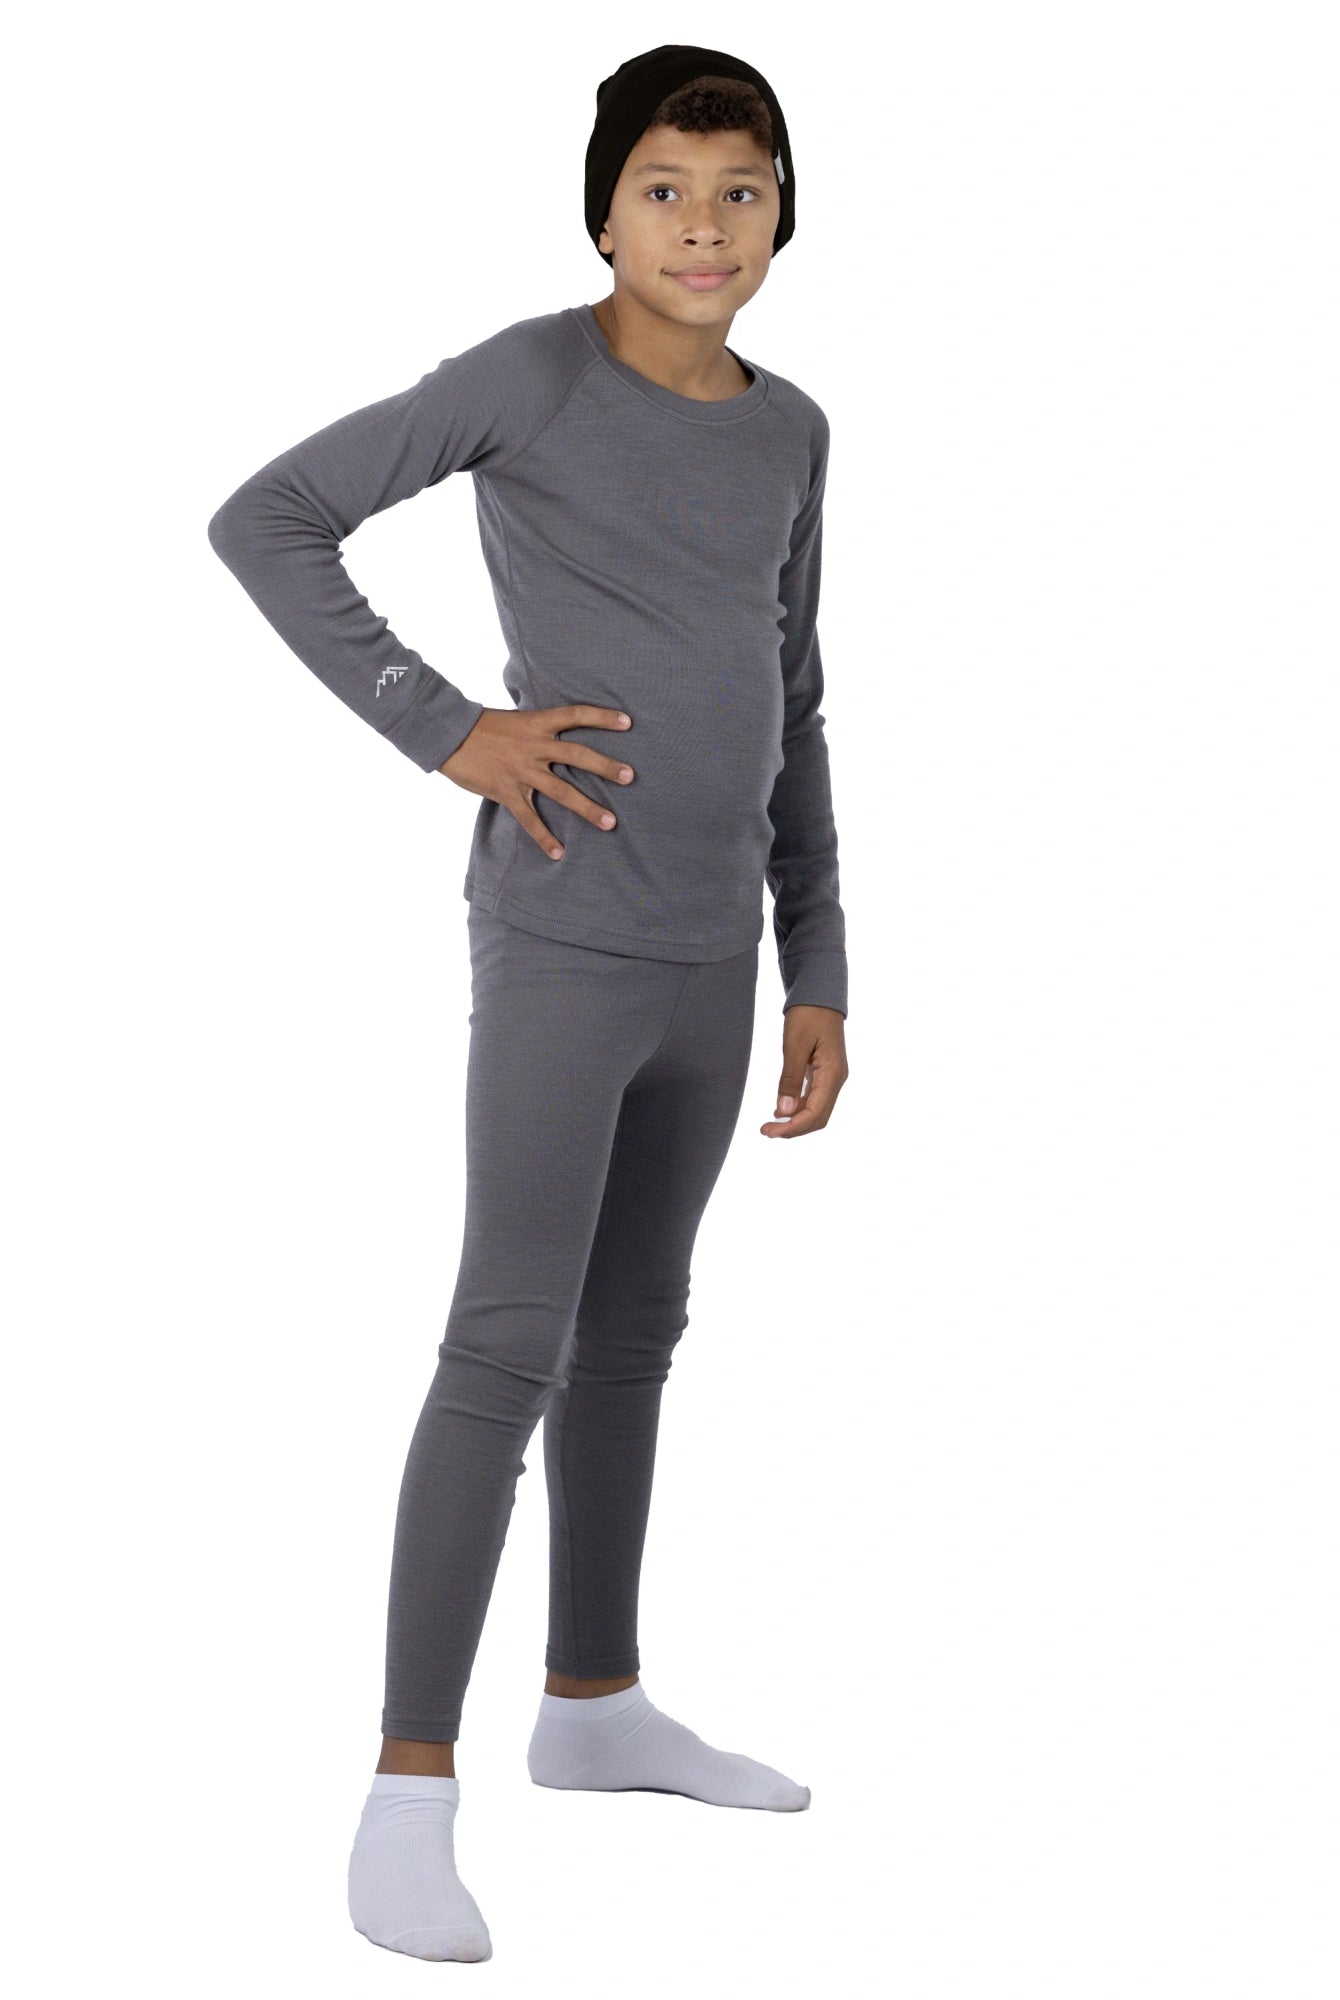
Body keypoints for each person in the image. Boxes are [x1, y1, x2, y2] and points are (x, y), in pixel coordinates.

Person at [207, 42, 850, 1965]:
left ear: (785, 214)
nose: (705, 225)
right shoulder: (536, 376)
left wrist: (818, 956)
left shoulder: (797, 430)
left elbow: (795, 695)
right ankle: (409, 1789)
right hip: (566, 943)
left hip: (715, 962)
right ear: (604, 213)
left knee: (636, 1333)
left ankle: (594, 1703)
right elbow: (270, 517)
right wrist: (447, 731)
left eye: (741, 189)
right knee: (504, 1346)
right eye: (666, 188)